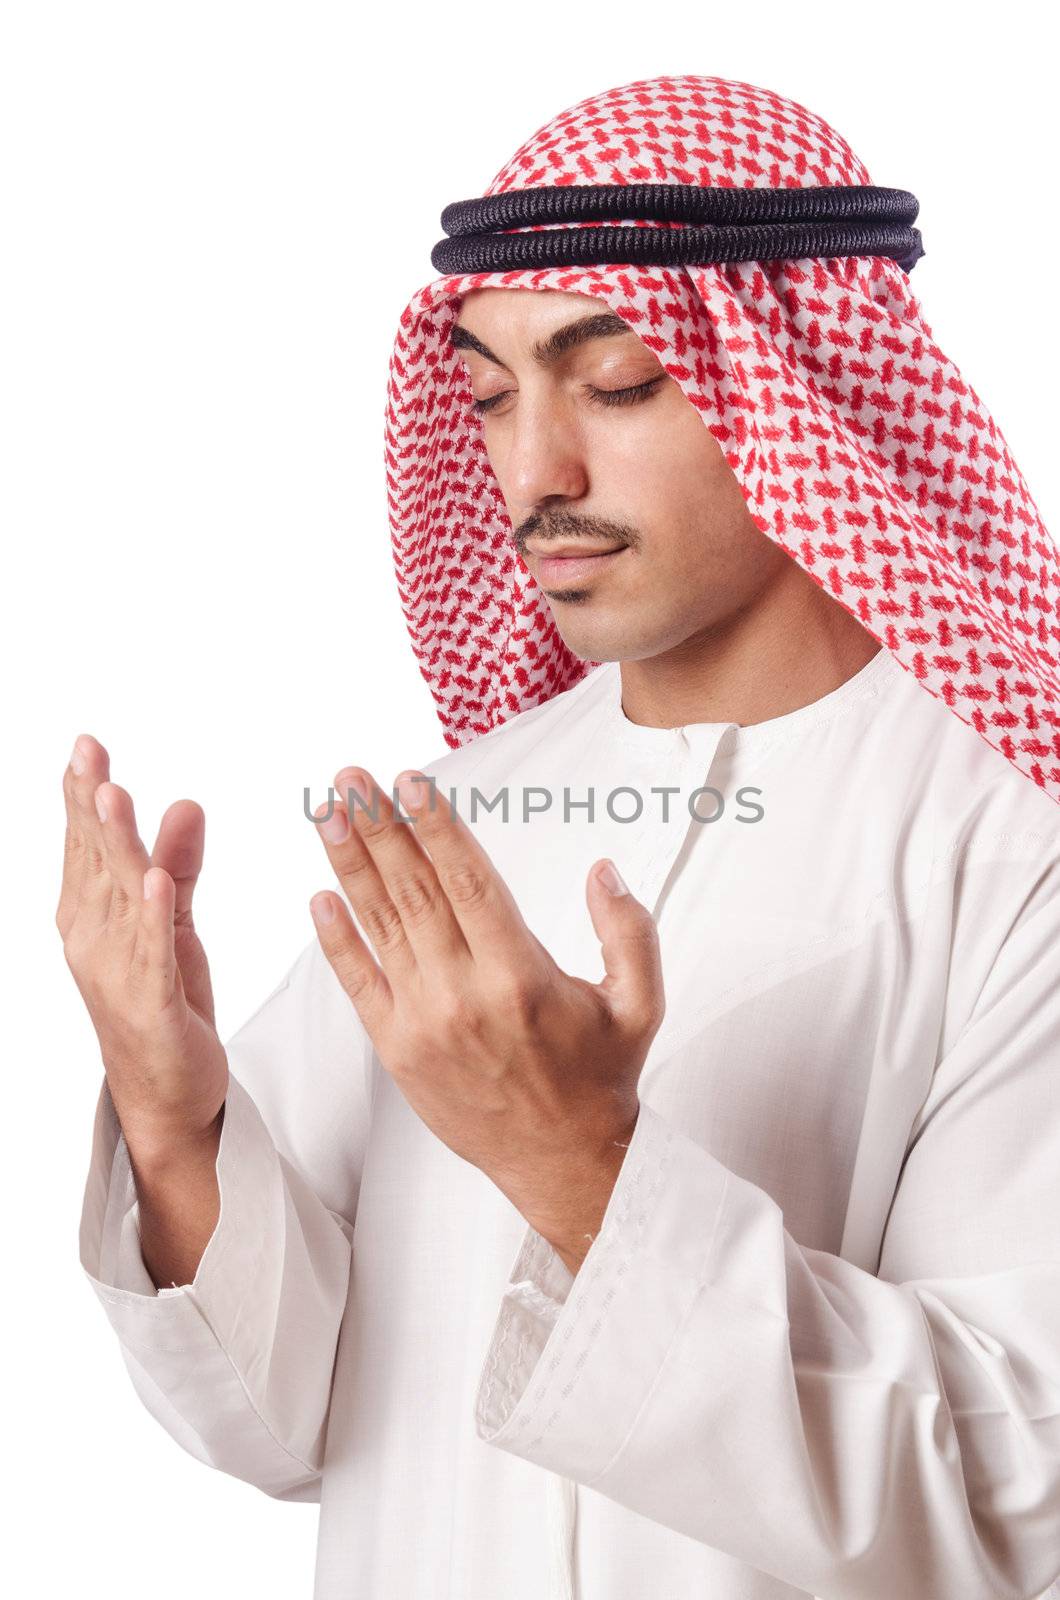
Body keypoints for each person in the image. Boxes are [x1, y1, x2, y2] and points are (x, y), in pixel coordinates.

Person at [63, 74, 1060, 1600]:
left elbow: (1014, 1499)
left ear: (798, 383)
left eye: (617, 383)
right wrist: (172, 1124)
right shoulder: (458, 826)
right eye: (487, 394)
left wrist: (581, 1165)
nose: (533, 475)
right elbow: (282, 1417)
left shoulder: (1011, 849)